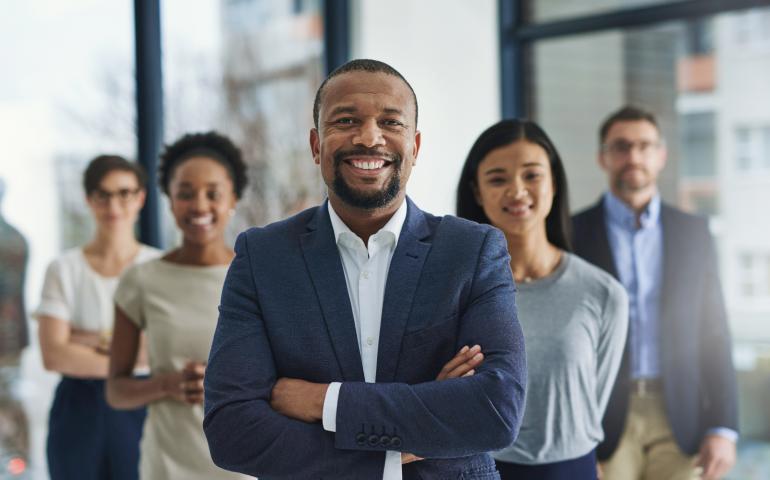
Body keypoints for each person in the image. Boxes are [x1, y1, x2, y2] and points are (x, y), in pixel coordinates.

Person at [203, 59, 527, 479]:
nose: (369, 137)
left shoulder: (473, 250)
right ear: (317, 145)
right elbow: (232, 430)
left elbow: (495, 411)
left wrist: (324, 402)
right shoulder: (262, 257)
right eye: (346, 120)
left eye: (391, 122)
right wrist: (400, 442)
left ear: (415, 146)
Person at [572, 106, 739, 480]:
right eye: (621, 146)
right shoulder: (572, 233)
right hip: (600, 419)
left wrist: (723, 426)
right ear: (603, 157)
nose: (633, 156)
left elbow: (715, 332)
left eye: (645, 146)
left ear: (661, 156)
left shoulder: (694, 233)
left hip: (681, 416)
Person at [456, 119, 628, 479]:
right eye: (498, 179)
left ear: (553, 183)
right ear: (477, 191)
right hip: (480, 468)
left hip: (572, 467)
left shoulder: (603, 292)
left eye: (531, 175)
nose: (517, 191)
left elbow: (593, 403)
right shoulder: (456, 291)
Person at [106, 132, 251, 480]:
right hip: (166, 467)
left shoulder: (258, 278)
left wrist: (225, 383)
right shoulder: (141, 280)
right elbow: (116, 390)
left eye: (212, 193)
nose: (199, 206)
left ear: (233, 197)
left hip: (244, 467)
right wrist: (166, 385)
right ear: (170, 200)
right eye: (185, 194)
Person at [34, 156, 160, 480]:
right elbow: (54, 355)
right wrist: (130, 346)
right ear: (90, 200)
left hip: (142, 405)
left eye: (124, 193)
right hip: (78, 407)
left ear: (141, 198)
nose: (114, 205)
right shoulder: (63, 269)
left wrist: (88, 340)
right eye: (103, 195)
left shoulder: (160, 268)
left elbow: (163, 348)